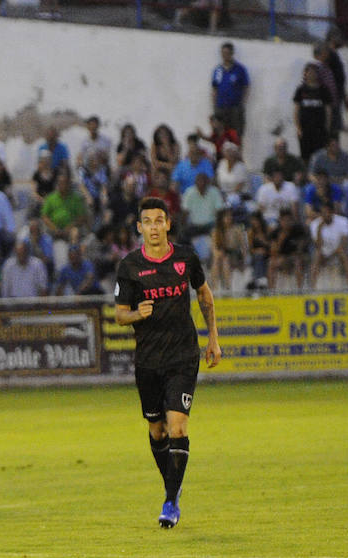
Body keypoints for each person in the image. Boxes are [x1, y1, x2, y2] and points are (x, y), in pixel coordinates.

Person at [114, 197, 221, 529]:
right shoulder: (130, 266)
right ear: (140, 227)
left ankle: (171, 501)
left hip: (183, 357)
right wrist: (136, 313)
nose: (154, 227)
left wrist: (213, 338)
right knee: (157, 430)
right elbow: (119, 315)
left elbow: (204, 295)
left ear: (168, 224)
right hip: (148, 361)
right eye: (148, 221)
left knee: (178, 427)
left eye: (160, 220)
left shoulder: (186, 257)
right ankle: (170, 489)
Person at [294, 63, 333, 163]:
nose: (312, 74)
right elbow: (296, 110)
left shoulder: (324, 90)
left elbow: (328, 110)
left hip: (319, 129)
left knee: (320, 155)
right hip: (305, 129)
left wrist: (327, 127)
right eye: (309, 72)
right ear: (305, 74)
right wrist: (298, 128)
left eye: (314, 72)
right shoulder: (300, 90)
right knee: (305, 156)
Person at [310, 199, 348, 289]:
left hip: (339, 250)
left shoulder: (343, 221)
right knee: (317, 255)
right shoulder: (315, 224)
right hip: (324, 252)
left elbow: (344, 243)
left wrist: (332, 255)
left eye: (327, 212)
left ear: (332, 212)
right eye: (323, 212)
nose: (325, 215)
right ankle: (312, 288)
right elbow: (318, 246)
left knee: (343, 254)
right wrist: (319, 230)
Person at [211, 43, 250, 137]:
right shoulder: (218, 70)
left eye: (227, 53)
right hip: (220, 107)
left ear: (232, 53)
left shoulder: (240, 69)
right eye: (223, 53)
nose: (224, 56)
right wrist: (214, 106)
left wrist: (242, 103)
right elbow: (214, 88)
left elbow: (246, 87)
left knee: (237, 134)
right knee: (221, 135)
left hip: (235, 108)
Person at [269, 207, 310, 290]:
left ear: (292, 220)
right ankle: (271, 291)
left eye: (288, 220)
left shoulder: (299, 230)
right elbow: (273, 252)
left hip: (298, 257)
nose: (286, 223)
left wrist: (294, 255)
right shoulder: (276, 232)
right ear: (280, 220)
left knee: (298, 262)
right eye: (283, 220)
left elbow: (301, 249)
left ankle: (299, 290)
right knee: (271, 264)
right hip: (283, 258)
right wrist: (281, 238)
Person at [209, 207, 248, 292]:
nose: (229, 218)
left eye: (230, 216)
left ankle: (227, 288)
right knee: (218, 260)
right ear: (221, 218)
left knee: (225, 260)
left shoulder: (237, 229)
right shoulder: (216, 231)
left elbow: (243, 247)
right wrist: (219, 254)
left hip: (235, 254)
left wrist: (245, 259)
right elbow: (214, 248)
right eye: (226, 217)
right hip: (221, 256)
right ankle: (215, 288)